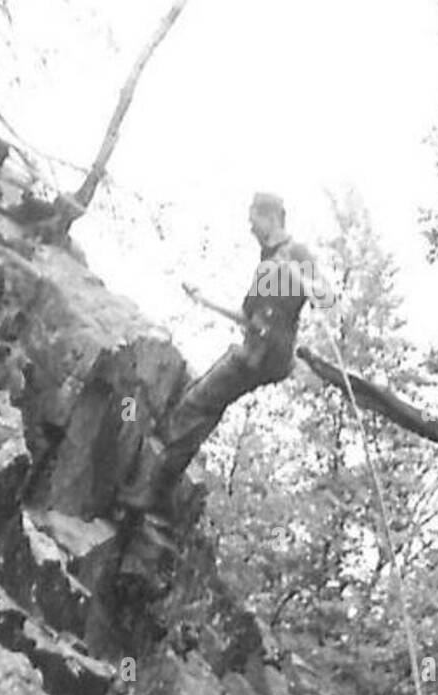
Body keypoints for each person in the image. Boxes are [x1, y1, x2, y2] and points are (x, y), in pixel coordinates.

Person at [116, 192, 334, 520]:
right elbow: (250, 318)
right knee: (203, 406)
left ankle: (149, 490)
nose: (250, 228)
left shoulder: (294, 253)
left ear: (271, 217)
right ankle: (161, 492)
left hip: (266, 358)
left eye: (254, 220)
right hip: (254, 353)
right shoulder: (265, 263)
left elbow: (326, 298)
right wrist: (205, 300)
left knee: (193, 405)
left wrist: (295, 272)